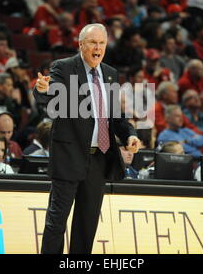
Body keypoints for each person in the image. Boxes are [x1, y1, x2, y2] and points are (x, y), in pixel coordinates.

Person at [33, 23, 140, 254]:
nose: (98, 47)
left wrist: (130, 134)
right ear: (81, 44)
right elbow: (53, 97)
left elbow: (115, 115)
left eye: (102, 43)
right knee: (57, 221)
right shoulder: (64, 67)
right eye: (93, 42)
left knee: (87, 224)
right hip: (70, 155)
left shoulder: (110, 73)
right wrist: (42, 89)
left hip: (99, 158)